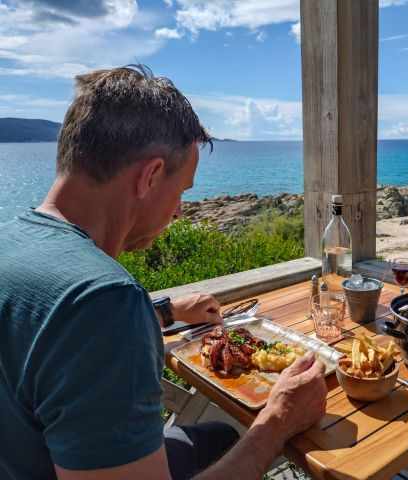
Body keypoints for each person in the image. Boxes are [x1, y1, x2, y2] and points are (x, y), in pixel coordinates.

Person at [0, 66, 327, 480]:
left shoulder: (11, 241)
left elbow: (47, 335)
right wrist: (278, 420)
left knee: (219, 438)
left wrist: (167, 311)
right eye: (182, 192)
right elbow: (89, 324)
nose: (177, 211)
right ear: (151, 175)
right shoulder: (104, 302)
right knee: (247, 438)